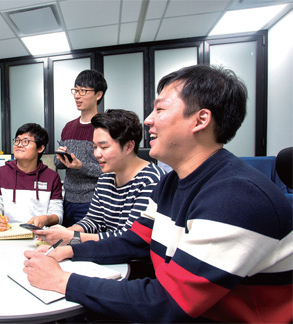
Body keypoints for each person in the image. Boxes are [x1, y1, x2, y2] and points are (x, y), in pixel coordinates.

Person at [23, 65, 293, 323]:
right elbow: (131, 242)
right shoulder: (171, 183)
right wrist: (68, 252)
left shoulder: (236, 197)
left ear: (201, 119)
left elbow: (169, 302)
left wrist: (61, 280)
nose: (148, 120)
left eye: (160, 109)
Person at [36, 110, 166, 245]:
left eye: (104, 147)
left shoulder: (151, 181)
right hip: (108, 254)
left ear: (129, 146)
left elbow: (130, 237)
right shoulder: (106, 177)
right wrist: (65, 233)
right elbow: (94, 220)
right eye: (94, 147)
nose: (97, 154)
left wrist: (73, 237)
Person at [55, 69, 107, 227]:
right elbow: (58, 165)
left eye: (83, 91)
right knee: (65, 246)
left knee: (85, 248)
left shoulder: (105, 127)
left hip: (93, 202)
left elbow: (110, 170)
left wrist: (81, 166)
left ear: (98, 95)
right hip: (68, 200)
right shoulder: (68, 127)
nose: (77, 95)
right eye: (76, 90)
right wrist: (61, 158)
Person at [0, 123, 63, 231]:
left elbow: (57, 214)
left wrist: (45, 219)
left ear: (40, 148)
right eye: (17, 140)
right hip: (7, 233)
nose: (19, 145)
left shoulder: (52, 177)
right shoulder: (0, 173)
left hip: (39, 235)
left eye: (25, 141)